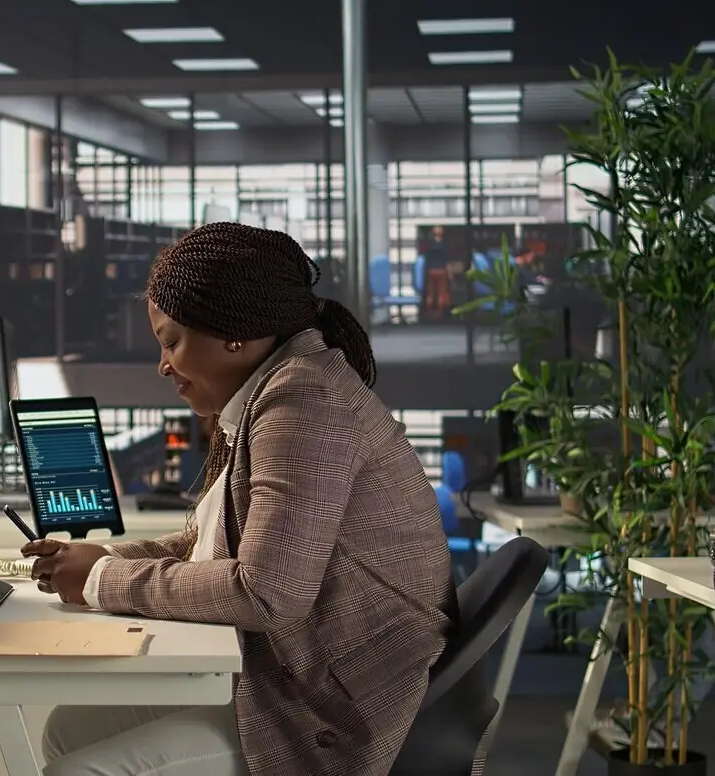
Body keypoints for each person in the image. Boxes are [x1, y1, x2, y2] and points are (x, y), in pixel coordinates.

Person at [23, 223, 457, 776]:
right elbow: (222, 543)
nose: (163, 365)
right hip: (298, 671)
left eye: (172, 341)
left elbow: (268, 595)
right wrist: (101, 561)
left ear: (234, 334)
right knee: (68, 727)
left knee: (78, 770)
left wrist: (102, 580)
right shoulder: (282, 388)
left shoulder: (301, 402)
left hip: (333, 706)